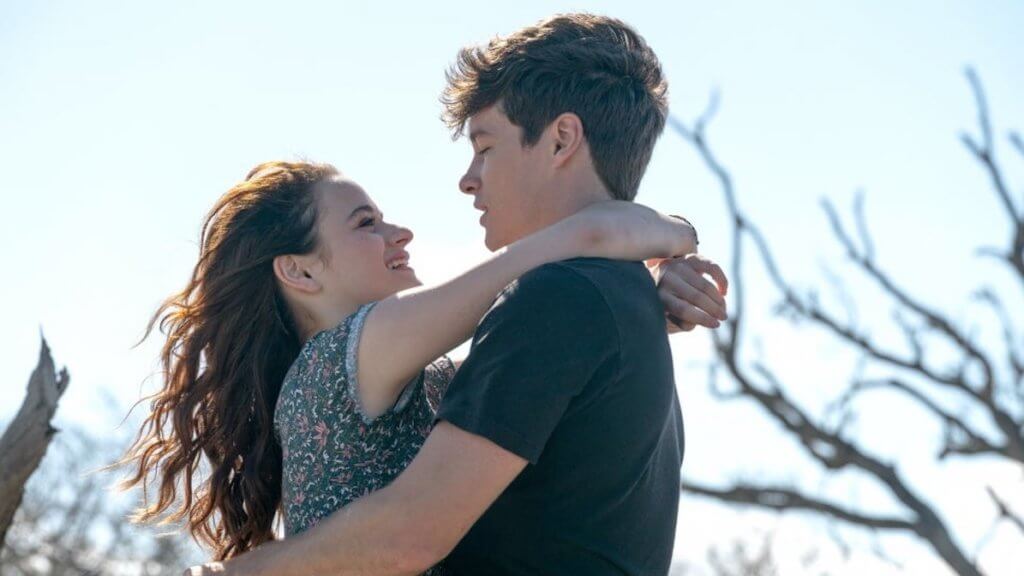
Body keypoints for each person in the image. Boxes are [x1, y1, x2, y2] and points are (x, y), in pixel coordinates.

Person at [182, 12, 729, 576]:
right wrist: (658, 246)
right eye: (366, 223)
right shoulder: (585, 300)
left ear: (561, 139)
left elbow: (411, 534)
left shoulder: (559, 301)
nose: (467, 179)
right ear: (298, 273)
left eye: (485, 147)